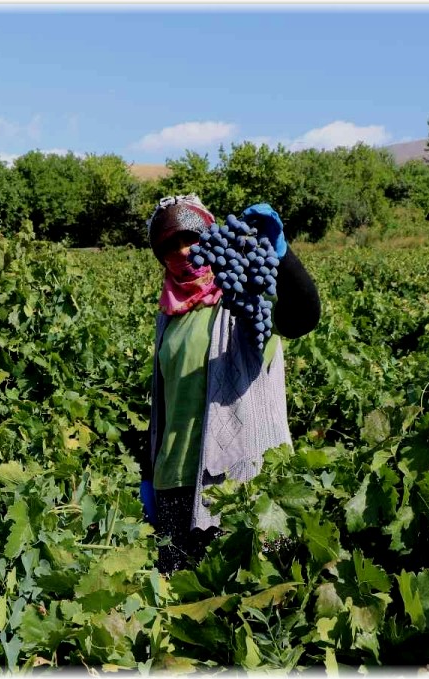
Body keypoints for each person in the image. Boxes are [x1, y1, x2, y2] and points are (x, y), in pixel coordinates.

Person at [138, 194, 321, 574]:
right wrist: (148, 474)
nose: (183, 251)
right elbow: (165, 403)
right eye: (168, 245)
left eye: (190, 238)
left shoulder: (244, 295)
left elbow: (301, 318)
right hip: (174, 483)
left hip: (240, 484)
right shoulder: (167, 316)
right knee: (180, 604)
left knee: (250, 603)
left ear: (210, 234)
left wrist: (281, 257)